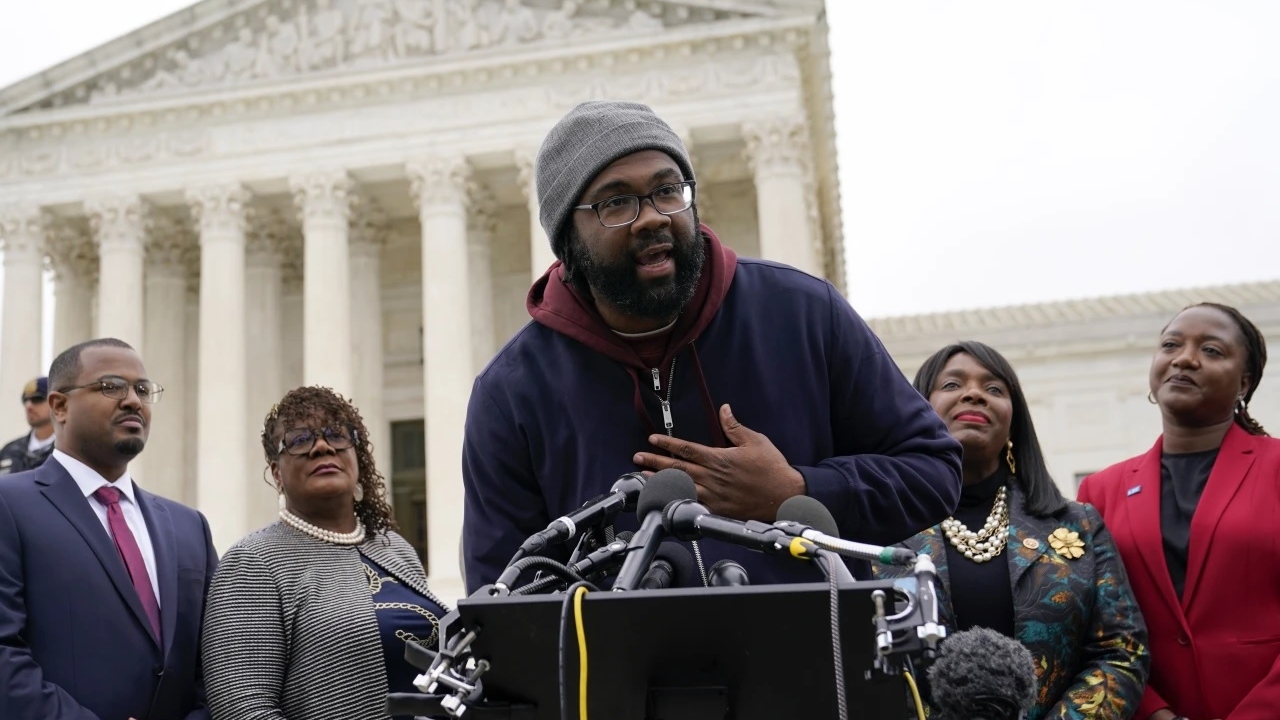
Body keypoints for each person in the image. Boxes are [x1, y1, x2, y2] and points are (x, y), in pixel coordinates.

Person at [462, 100, 962, 592]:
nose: (652, 217)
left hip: (813, 659)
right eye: (616, 202)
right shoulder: (511, 392)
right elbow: (501, 595)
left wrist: (797, 490)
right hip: (620, 672)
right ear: (568, 238)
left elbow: (933, 470)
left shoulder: (803, 312)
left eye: (667, 190)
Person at [875, 341, 1148, 719]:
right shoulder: (878, 528)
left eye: (994, 389)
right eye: (952, 385)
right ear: (920, 410)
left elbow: (1120, 651)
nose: (973, 393)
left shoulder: (1079, 525)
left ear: (1013, 419)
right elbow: (855, 659)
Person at [1078, 303, 1280, 720]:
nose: (1184, 358)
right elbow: (1095, 626)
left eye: (1211, 350)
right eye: (1171, 345)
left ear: (1244, 381)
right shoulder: (1100, 490)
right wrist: (1154, 712)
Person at [0, 338, 217, 720]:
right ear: (60, 405)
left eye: (143, 389)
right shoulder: (10, 505)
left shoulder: (189, 527)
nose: (133, 400)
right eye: (111, 386)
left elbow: (215, 662)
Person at [202, 386, 449, 720]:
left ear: (356, 458)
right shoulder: (253, 562)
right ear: (277, 473)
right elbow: (243, 708)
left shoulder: (395, 548)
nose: (322, 446)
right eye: (299, 440)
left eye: (336, 434)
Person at [0, 376, 56, 475]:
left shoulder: (68, 450)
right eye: (25, 400)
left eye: (37, 399)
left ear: (55, 403)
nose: (28, 406)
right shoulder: (10, 450)